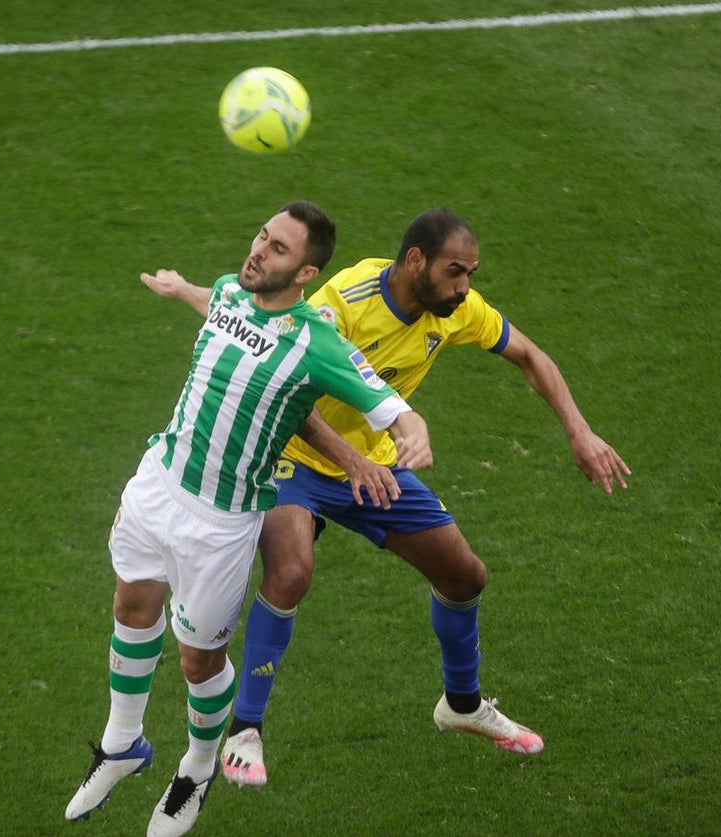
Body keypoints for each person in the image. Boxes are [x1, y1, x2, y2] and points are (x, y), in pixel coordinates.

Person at [146, 208, 631, 787]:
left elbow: (530, 355)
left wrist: (580, 431)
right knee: (291, 572)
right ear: (415, 261)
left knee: (464, 576)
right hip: (295, 458)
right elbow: (280, 372)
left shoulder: (453, 311)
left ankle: (462, 704)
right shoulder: (344, 302)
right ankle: (246, 730)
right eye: (456, 272)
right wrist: (350, 458)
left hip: (372, 468)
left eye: (471, 274)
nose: (465, 288)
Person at [64, 200, 433, 837]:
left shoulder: (319, 342)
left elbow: (389, 404)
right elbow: (219, 304)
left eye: (279, 249)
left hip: (222, 524)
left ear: (307, 273)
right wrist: (182, 288)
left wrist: (411, 433)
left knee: (197, 662)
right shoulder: (236, 290)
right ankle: (122, 745)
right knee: (131, 608)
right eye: (263, 237)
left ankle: (198, 768)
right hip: (158, 482)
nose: (259, 251)